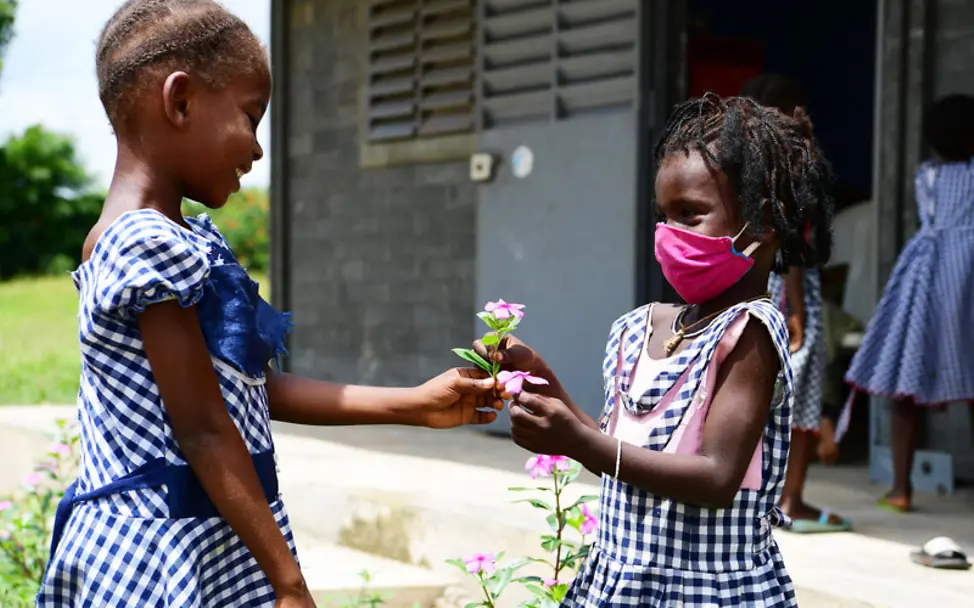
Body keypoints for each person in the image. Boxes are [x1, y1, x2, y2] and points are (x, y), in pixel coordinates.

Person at [37, 2, 500, 607]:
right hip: (159, 553)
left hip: (208, 535)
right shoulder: (141, 243)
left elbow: (248, 391)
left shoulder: (186, 240)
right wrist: (289, 582)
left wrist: (415, 404)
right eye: (251, 117)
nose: (257, 149)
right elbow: (204, 430)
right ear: (180, 102)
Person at [478, 94, 835, 606]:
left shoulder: (747, 332)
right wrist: (537, 377)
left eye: (691, 214)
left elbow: (715, 477)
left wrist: (575, 442)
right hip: (618, 581)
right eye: (663, 216)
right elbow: (617, 452)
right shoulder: (638, 327)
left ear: (762, 223)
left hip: (701, 591)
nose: (670, 234)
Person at [843, 93, 974, 514]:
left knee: (907, 383)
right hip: (966, 275)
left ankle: (901, 489)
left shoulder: (927, 175)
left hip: (926, 272)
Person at [740, 74, 849, 533]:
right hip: (788, 294)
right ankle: (793, 499)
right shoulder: (794, 165)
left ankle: (749, 494)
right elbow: (796, 248)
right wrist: (799, 309)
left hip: (751, 287)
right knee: (799, 399)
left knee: (752, 394)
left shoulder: (740, 165)